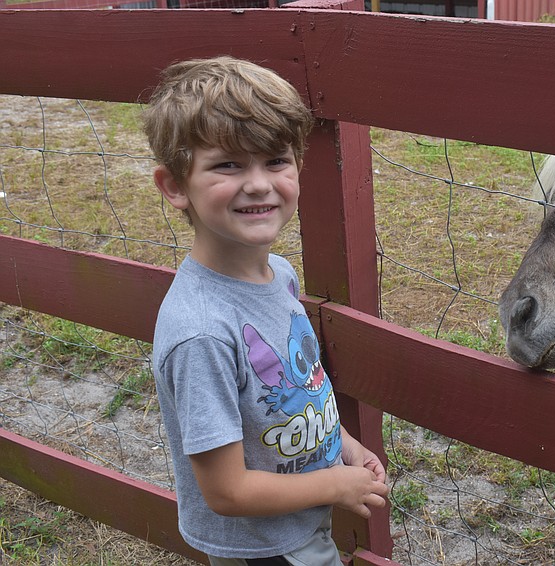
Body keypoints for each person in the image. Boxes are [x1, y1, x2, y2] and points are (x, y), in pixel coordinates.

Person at [143, 56, 388, 566]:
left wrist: (342, 443)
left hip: (300, 523)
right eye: (228, 164)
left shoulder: (279, 273)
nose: (257, 184)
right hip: (263, 550)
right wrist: (335, 485)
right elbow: (227, 492)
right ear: (173, 185)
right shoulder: (202, 332)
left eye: (275, 160)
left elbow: (301, 386)